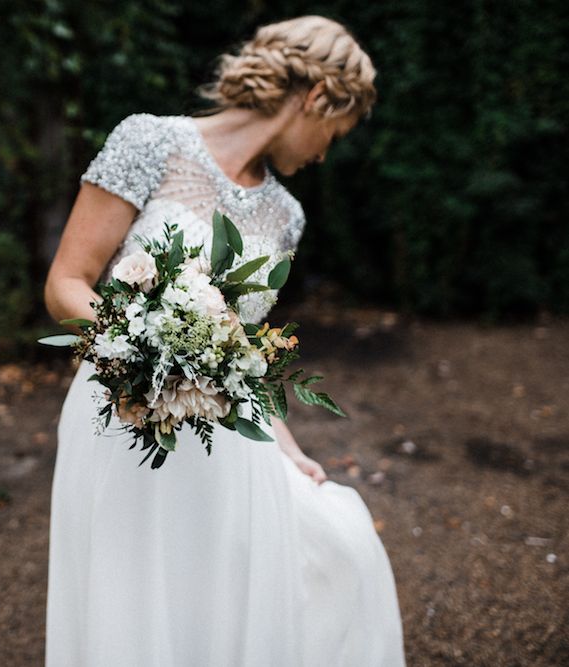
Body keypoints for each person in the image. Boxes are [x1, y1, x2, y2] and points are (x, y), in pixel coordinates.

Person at [43, 15, 405, 667]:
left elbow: (242, 351)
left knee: (331, 550)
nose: (325, 152)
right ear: (317, 98)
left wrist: (289, 450)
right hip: (124, 417)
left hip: (223, 431)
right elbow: (67, 282)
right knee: (135, 601)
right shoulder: (148, 141)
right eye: (334, 132)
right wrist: (143, 354)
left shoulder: (286, 214)